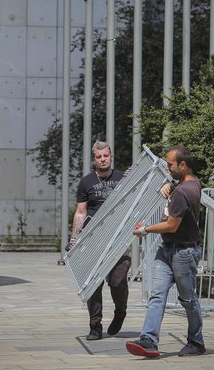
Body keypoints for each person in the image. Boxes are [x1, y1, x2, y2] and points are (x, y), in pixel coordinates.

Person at [126, 145, 205, 358]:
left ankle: (196, 342)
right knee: (157, 294)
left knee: (188, 299)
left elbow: (171, 226)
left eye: (170, 165)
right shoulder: (191, 183)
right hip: (167, 249)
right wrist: (168, 184)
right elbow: (173, 206)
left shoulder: (184, 191)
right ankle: (149, 340)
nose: (167, 167)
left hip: (184, 252)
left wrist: (145, 229)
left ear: (182, 164)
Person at [67, 141, 130, 341]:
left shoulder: (123, 178)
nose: (103, 159)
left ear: (111, 157)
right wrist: (74, 238)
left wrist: (133, 178)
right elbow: (81, 212)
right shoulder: (86, 182)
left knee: (118, 280)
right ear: (94, 159)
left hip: (117, 238)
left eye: (106, 156)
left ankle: (120, 311)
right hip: (93, 239)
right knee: (93, 283)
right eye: (98, 156)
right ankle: (95, 324)